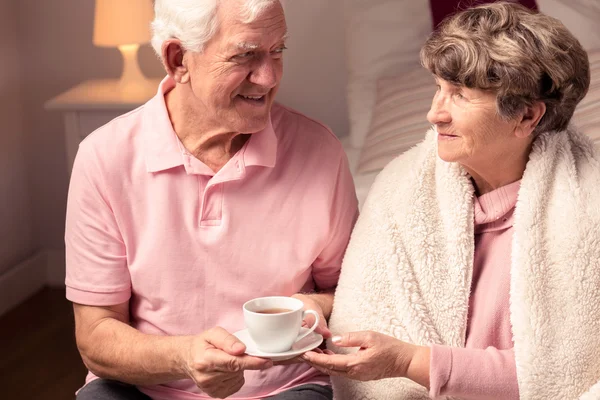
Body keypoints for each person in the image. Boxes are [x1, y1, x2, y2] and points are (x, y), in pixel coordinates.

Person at [300, 2, 600, 399]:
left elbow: (561, 373)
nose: (434, 114)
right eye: (438, 89)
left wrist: (410, 362)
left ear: (527, 117)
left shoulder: (588, 212)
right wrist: (320, 312)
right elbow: (369, 309)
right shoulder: (399, 192)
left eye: (459, 95)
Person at [65, 0, 358, 399]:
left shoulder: (321, 152)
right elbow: (96, 334)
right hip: (143, 388)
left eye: (277, 51)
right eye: (245, 55)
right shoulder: (104, 156)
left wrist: (312, 306)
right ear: (178, 59)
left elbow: (352, 291)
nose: (269, 77)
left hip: (286, 388)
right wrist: (184, 356)